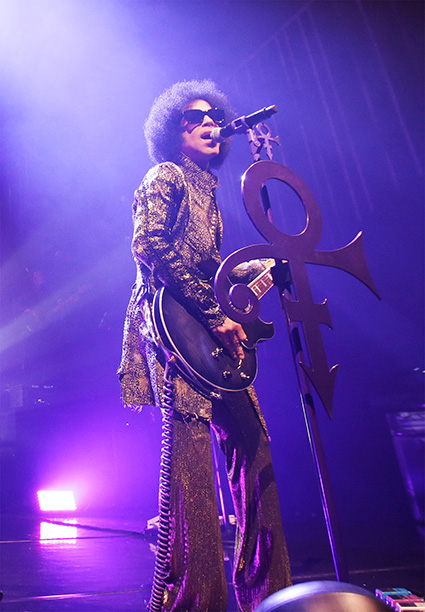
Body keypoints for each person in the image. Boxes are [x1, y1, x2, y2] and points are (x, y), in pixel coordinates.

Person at [118, 79, 291, 612]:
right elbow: (149, 244)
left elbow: (209, 267)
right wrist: (216, 317)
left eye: (215, 116)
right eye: (197, 117)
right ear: (175, 131)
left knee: (254, 447)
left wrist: (259, 270)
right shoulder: (165, 175)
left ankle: (270, 595)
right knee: (191, 467)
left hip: (205, 333)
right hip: (174, 331)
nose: (212, 124)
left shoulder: (208, 192)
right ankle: (199, 602)